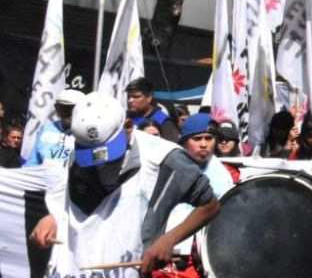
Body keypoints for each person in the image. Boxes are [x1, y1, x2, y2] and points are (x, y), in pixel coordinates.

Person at [29, 92, 221, 274]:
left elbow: (210, 205)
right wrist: (53, 217)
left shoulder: (166, 159)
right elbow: (68, 200)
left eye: (106, 151)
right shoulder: (77, 149)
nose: (100, 164)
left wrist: (169, 240)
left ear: (128, 126)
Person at [159, 114, 236, 278]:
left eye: (209, 138)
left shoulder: (223, 176)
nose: (203, 144)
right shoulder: (167, 167)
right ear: (185, 141)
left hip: (201, 261)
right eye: (197, 138)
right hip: (163, 256)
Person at [25, 88, 85, 167]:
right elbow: (33, 162)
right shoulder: (46, 129)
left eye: (72, 110)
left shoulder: (87, 133)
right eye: (64, 110)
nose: (69, 115)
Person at [126, 78, 181, 142]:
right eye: (128, 97)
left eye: (136, 97)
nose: (130, 100)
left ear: (149, 97)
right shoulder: (124, 118)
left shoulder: (163, 121)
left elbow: (172, 148)